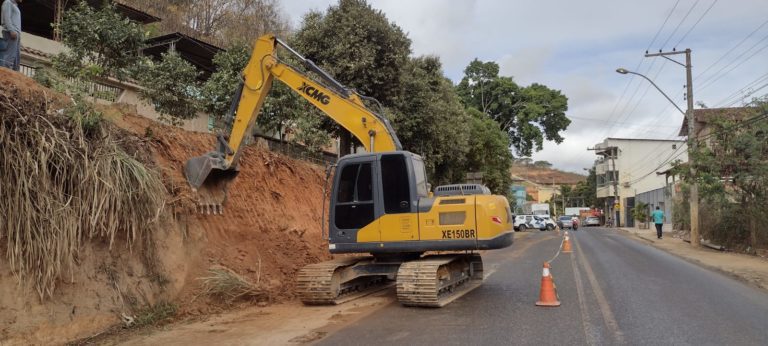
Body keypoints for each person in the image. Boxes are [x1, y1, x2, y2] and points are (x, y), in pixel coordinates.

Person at [1, 0, 22, 71]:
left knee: (16, 57)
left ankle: (14, 74)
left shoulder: (15, 5)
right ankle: (6, 72)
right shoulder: (8, 2)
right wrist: (11, 30)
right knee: (10, 55)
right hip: (11, 32)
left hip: (17, 33)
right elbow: (7, 17)